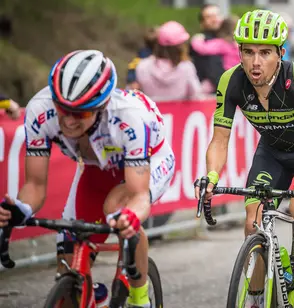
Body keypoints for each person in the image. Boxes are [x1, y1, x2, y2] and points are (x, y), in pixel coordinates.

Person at [0, 50, 175, 308]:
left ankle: (140, 298)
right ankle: (87, 292)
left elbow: (138, 194)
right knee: (69, 253)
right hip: (95, 168)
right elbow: (35, 185)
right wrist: (20, 208)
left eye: (81, 114)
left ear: (102, 106)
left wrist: (131, 216)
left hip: (150, 162)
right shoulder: (40, 110)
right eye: (63, 110)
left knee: (117, 210)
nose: (69, 121)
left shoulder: (128, 116)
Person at [195, 9, 294, 308]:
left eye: (264, 52)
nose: (255, 62)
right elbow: (219, 140)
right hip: (272, 151)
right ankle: (257, 299)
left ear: (280, 53)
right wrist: (211, 176)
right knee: (253, 224)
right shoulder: (231, 81)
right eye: (248, 52)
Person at [135, 20, 205, 101]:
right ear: (180, 46)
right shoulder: (186, 67)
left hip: (152, 113)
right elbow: (195, 95)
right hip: (181, 113)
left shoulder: (143, 66)